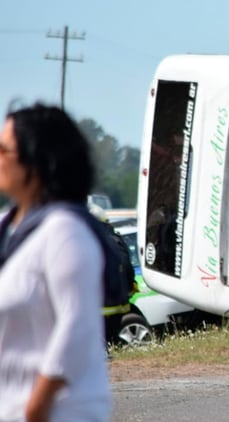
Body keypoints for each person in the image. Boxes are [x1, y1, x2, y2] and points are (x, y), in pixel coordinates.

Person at [0, 103, 111, 421]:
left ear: (36, 161)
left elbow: (78, 326)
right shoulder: (11, 228)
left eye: (4, 149)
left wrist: (37, 405)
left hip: (59, 411)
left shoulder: (65, 232)